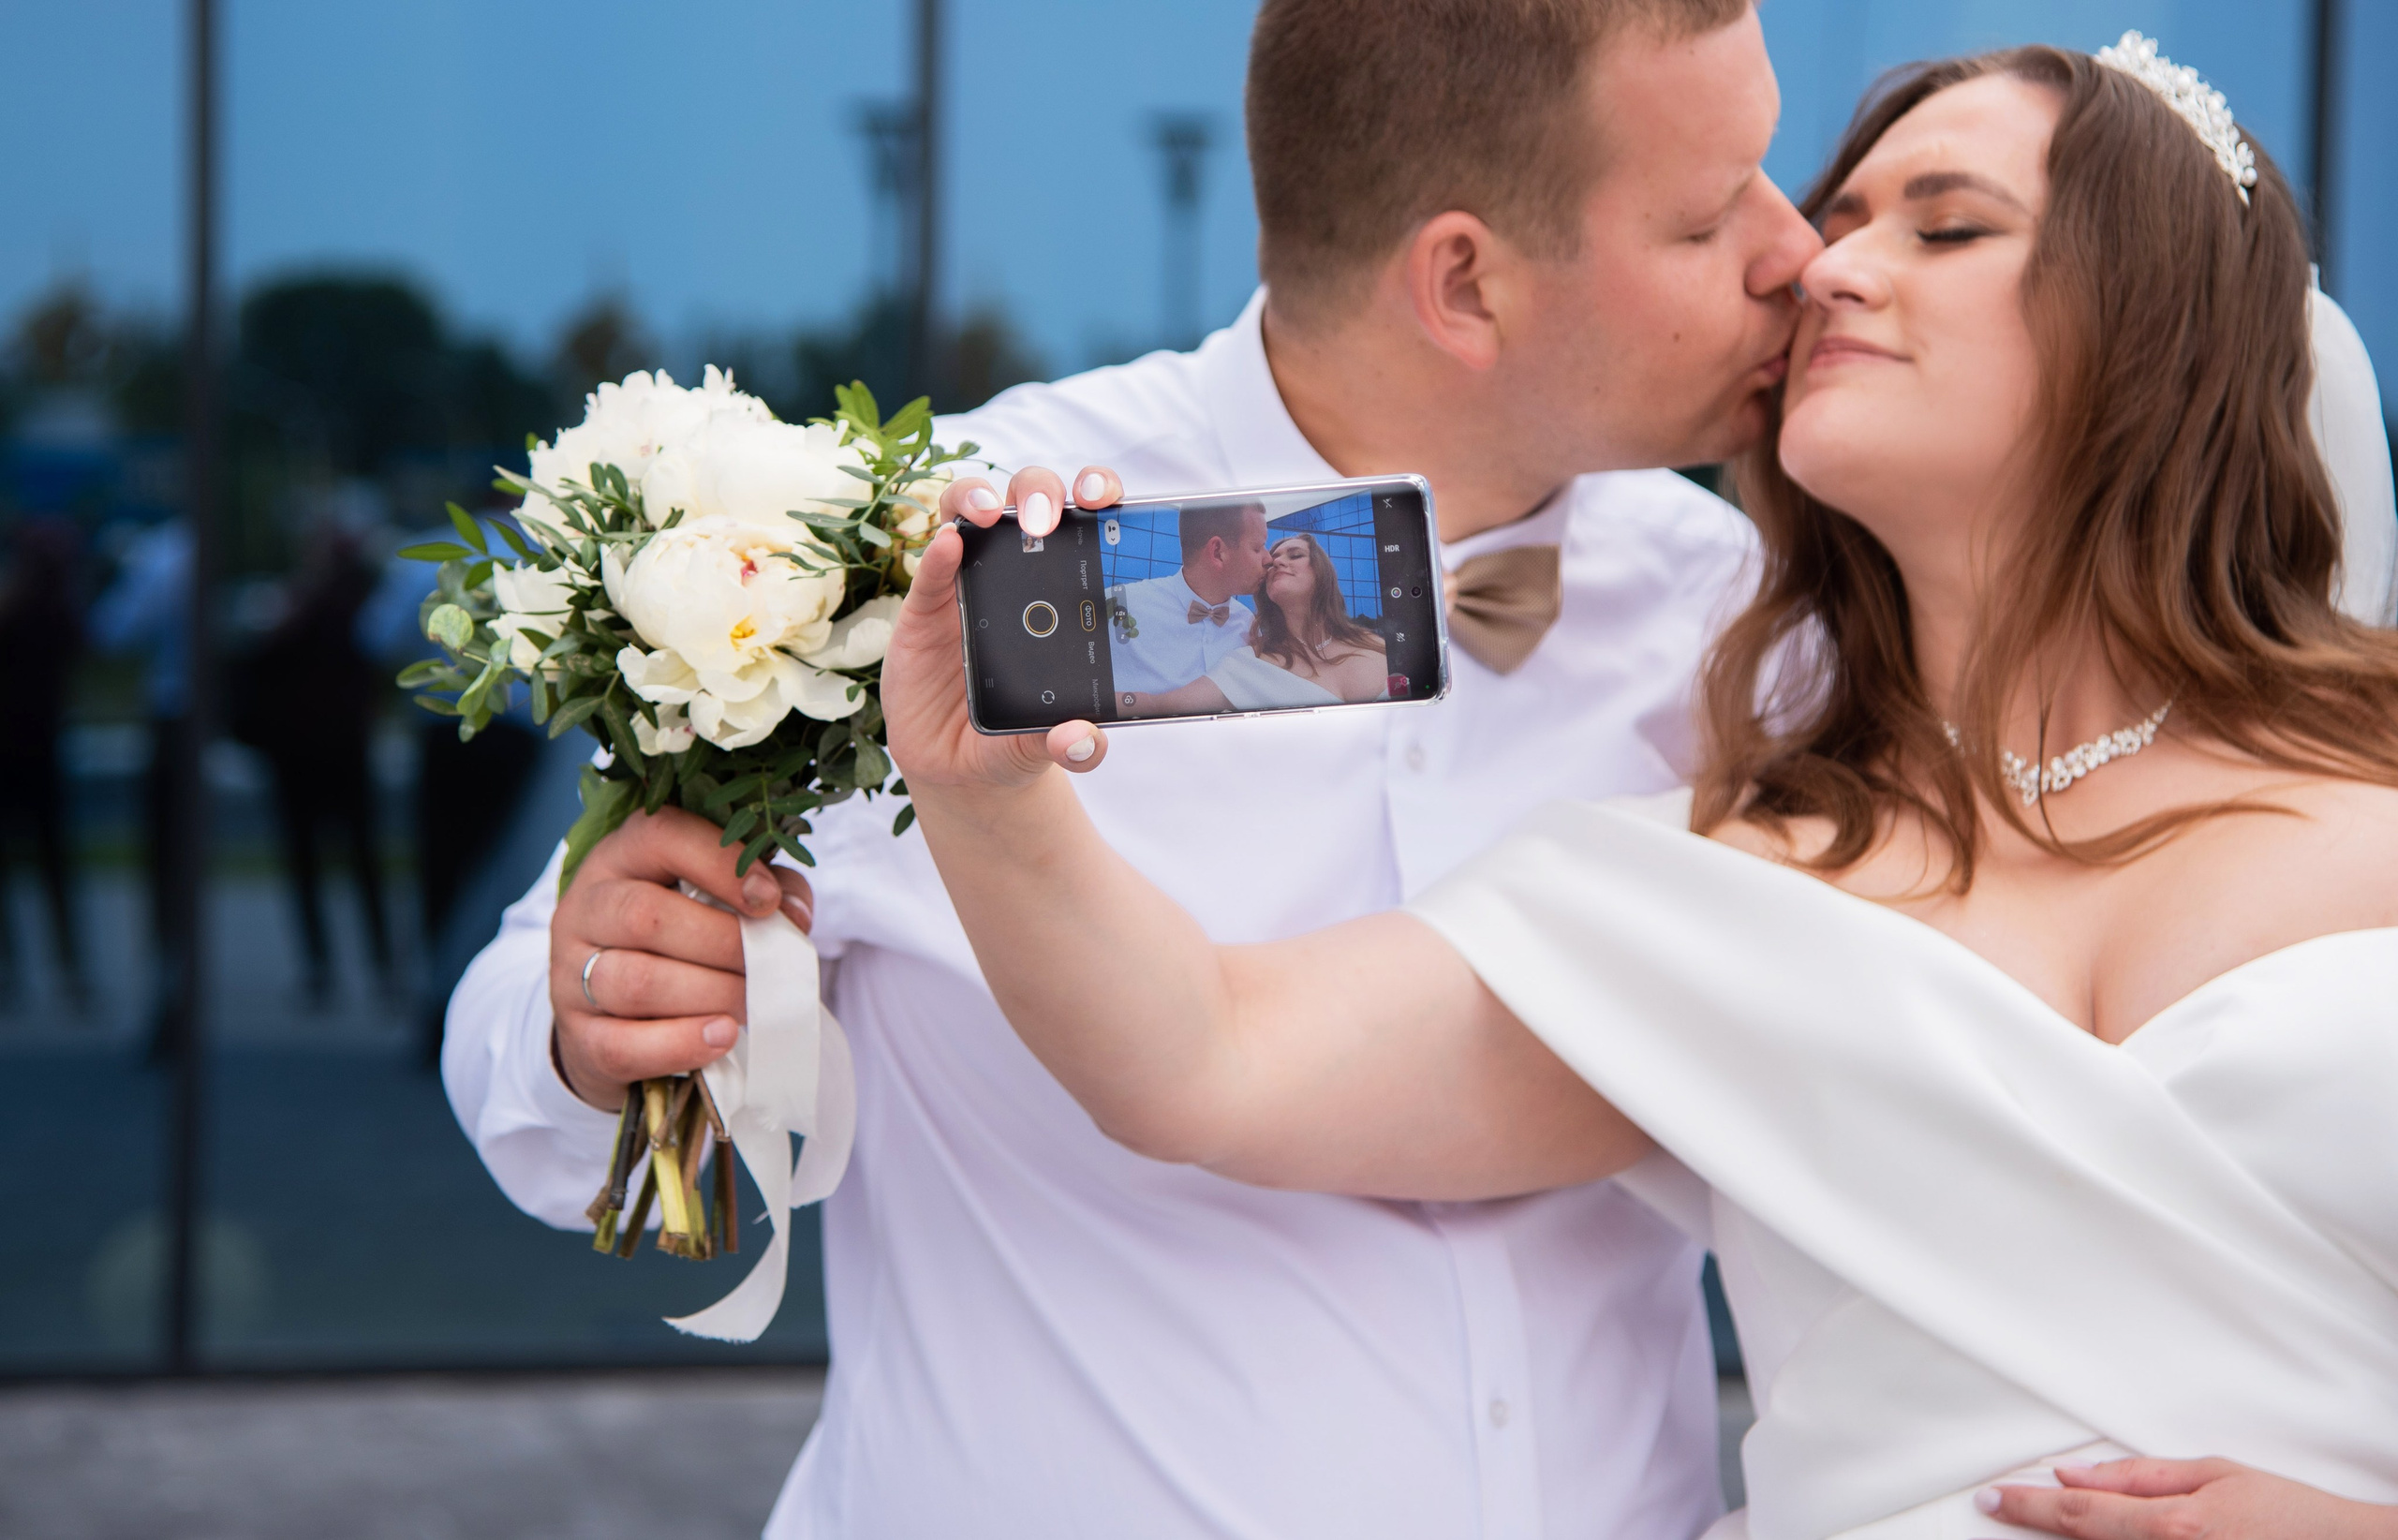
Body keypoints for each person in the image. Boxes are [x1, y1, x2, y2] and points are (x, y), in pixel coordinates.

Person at [885, 37, 2398, 1540]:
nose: (1821, 265)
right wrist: (988, 794)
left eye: (1943, 227)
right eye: (1837, 213)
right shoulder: (1717, 874)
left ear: (2158, 330)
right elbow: (1204, 1054)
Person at [447, 1, 1814, 1533]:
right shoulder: (953, 564)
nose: (1797, 248)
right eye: (1711, 214)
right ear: (1463, 279)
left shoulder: (1747, 621)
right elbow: (533, 1077)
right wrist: (599, 1013)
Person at [1127, 532, 1390, 713]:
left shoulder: (1376, 644)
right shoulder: (1247, 664)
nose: (1277, 562)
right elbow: (1161, 705)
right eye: (1273, 560)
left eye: (1295, 555)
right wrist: (1091, 704)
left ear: (1321, 572)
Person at [0, 517, 88, 1007]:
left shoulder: (32, 611)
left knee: (40, 866)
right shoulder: (46, 612)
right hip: (33, 751)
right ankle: (63, 967)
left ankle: (45, 968)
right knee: (51, 866)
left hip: (27, 750)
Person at [1105, 500, 1270, 697]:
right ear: (1218, 552)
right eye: (1257, 548)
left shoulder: (1248, 625)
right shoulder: (1119, 605)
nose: (1269, 559)